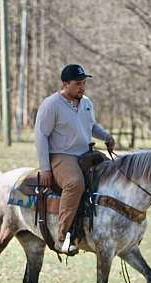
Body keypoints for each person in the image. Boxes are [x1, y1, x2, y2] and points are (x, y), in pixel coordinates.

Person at [34, 64, 116, 254]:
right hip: (62, 155)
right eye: (78, 83)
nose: (82, 87)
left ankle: (107, 227)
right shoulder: (51, 105)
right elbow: (41, 136)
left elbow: (91, 126)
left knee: (114, 174)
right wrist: (45, 168)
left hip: (86, 153)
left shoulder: (86, 102)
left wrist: (107, 137)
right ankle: (61, 237)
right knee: (75, 183)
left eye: (84, 83)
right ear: (65, 84)